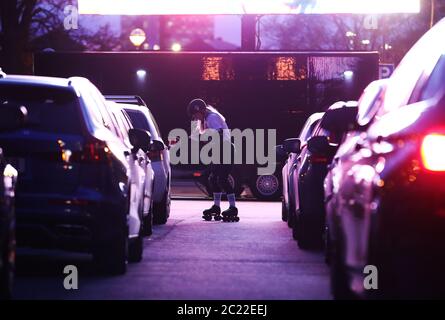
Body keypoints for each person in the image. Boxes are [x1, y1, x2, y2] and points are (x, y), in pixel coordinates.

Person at [187, 98, 239, 222]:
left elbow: (219, 134)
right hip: (220, 151)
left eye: (196, 114)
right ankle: (216, 206)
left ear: (201, 111)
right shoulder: (207, 118)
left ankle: (233, 207)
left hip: (226, 150)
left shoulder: (212, 117)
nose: (196, 118)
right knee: (213, 178)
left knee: (222, 179)